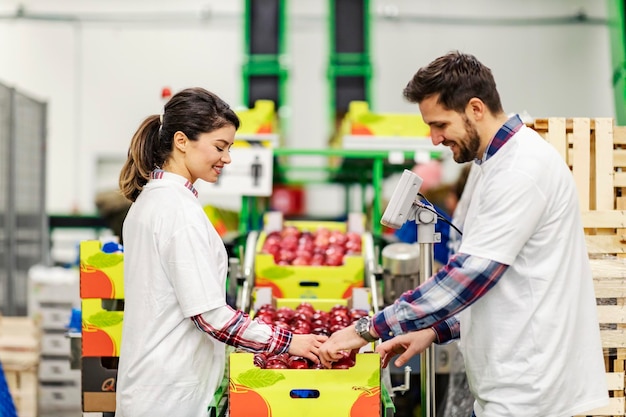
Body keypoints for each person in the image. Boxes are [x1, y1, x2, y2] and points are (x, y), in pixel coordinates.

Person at [319, 51, 608, 416]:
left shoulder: (521, 170)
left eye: (440, 124)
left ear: (475, 109)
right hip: (513, 386)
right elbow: (507, 285)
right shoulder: (494, 165)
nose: (434, 139)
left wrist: (368, 328)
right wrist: (434, 330)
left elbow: (472, 274)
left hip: (532, 392)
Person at [116, 87, 327, 417]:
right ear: (182, 141)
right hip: (170, 395)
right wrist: (289, 342)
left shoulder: (153, 201)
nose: (227, 158)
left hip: (156, 384)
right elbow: (209, 316)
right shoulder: (176, 211)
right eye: (220, 146)